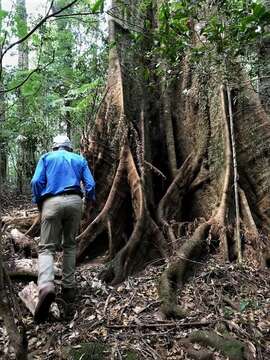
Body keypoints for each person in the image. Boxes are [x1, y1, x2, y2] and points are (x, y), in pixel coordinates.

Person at [31, 135, 95, 322]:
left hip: (51, 201)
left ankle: (46, 286)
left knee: (46, 248)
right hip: (75, 202)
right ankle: (69, 288)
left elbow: (36, 182)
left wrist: (39, 201)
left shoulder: (46, 157)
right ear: (69, 147)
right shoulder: (79, 159)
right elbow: (90, 185)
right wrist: (89, 201)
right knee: (69, 246)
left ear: (54, 146)